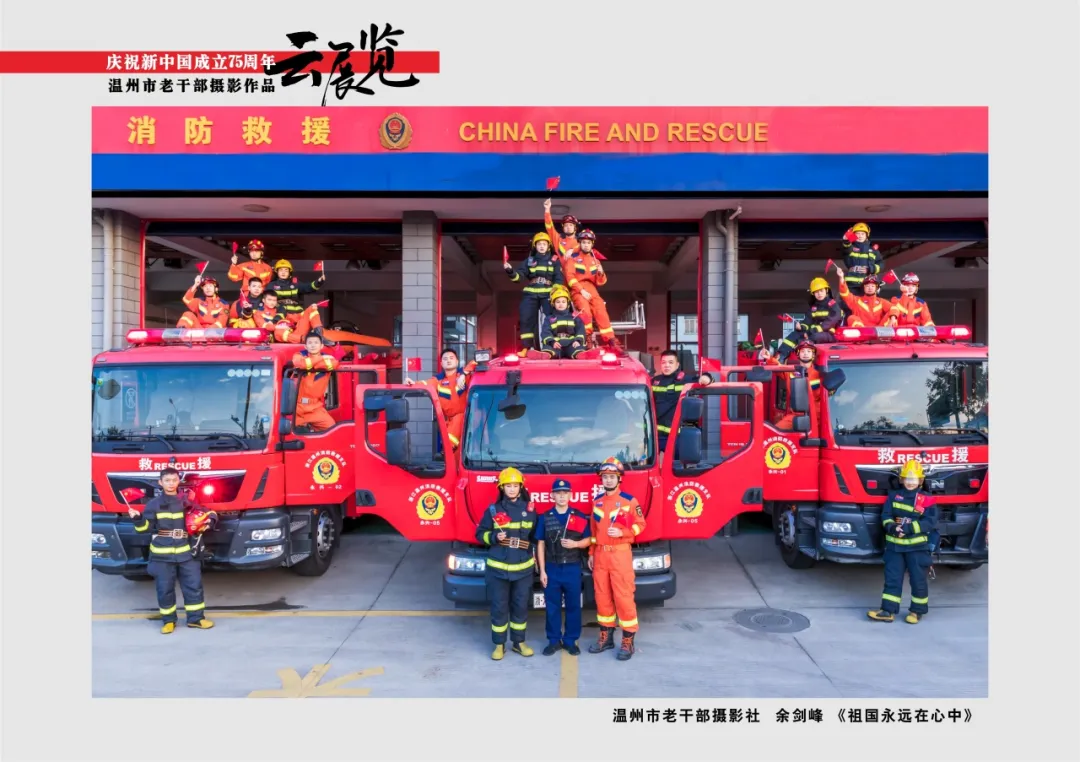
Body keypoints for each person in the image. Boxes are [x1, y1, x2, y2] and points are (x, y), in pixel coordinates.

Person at [129, 467, 214, 633]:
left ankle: (196, 619)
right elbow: (144, 529)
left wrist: (210, 519)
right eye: (167, 480)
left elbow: (205, 512)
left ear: (178, 481)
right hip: (162, 554)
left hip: (186, 552)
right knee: (164, 589)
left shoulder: (187, 501)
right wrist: (137, 519)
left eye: (174, 480)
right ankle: (168, 621)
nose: (171, 483)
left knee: (194, 586)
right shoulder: (153, 504)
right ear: (160, 483)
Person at [475, 468, 537, 660]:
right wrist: (494, 537)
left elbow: (536, 538)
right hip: (498, 570)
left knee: (520, 607)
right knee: (499, 608)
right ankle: (499, 645)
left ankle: (519, 643)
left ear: (521, 487)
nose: (511, 489)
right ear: (502, 488)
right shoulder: (493, 511)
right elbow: (480, 534)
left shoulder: (530, 510)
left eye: (515, 485)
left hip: (523, 570)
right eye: (508, 486)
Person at [588, 457, 646, 661]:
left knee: (623, 597)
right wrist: (591, 553)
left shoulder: (629, 501)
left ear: (619, 478)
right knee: (602, 597)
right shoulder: (597, 502)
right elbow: (593, 532)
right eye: (605, 477)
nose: (609, 480)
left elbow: (641, 525)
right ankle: (606, 638)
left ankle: (628, 641)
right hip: (601, 555)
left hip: (620, 554)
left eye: (612, 477)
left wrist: (623, 533)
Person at [868, 460, 939, 624]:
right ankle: (887, 611)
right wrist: (892, 527)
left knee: (918, 580)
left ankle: (916, 611)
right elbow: (886, 515)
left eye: (914, 479)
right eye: (907, 478)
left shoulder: (927, 499)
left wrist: (907, 528)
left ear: (920, 480)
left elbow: (930, 522)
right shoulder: (893, 496)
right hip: (895, 547)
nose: (910, 482)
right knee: (892, 579)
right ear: (902, 479)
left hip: (917, 548)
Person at [534, 479, 592, 655]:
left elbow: (588, 540)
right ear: (552, 495)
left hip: (572, 568)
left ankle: (570, 641)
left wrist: (575, 545)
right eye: (558, 493)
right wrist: (542, 571)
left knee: (574, 606)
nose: (561, 496)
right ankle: (553, 641)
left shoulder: (578, 516)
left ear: (570, 495)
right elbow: (541, 544)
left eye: (565, 493)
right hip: (552, 568)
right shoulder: (545, 517)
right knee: (552, 607)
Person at [504, 232, 565, 355]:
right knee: (526, 318)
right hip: (531, 293)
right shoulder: (529, 261)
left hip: (548, 293)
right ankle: (527, 348)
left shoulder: (554, 260)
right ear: (535, 246)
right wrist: (510, 271)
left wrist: (555, 294)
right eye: (539, 244)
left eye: (544, 244)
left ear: (548, 246)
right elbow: (518, 278)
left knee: (552, 319)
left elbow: (559, 279)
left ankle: (552, 346)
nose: (542, 246)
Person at [404, 348, 477, 450]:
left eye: (451, 358)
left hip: (467, 420)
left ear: (457, 362)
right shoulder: (438, 380)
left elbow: (477, 361)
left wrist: (464, 374)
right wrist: (412, 383)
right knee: (454, 454)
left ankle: (449, 447)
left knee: (454, 444)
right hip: (449, 424)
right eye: (445, 359)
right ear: (441, 364)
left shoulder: (465, 375)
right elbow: (425, 383)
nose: (448, 360)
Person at [651, 350, 712, 456]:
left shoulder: (684, 380)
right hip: (656, 436)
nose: (667, 365)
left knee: (677, 464)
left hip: (676, 436)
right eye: (664, 362)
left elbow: (706, 378)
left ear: (677, 365)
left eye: (670, 362)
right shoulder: (654, 381)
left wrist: (706, 378)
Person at [563, 229, 615, 347]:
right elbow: (570, 278)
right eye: (584, 242)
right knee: (585, 311)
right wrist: (581, 290)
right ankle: (587, 338)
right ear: (580, 244)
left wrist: (601, 273)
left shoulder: (595, 261)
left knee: (601, 309)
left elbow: (601, 282)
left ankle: (610, 340)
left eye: (588, 243)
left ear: (592, 244)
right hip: (577, 289)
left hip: (592, 289)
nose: (586, 245)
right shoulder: (572, 259)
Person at [776, 277, 842, 362]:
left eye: (821, 291)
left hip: (829, 334)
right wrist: (801, 326)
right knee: (794, 334)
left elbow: (830, 322)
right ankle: (781, 355)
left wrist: (811, 332)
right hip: (813, 332)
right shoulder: (814, 307)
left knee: (814, 337)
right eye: (816, 292)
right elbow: (807, 320)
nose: (819, 294)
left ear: (826, 290)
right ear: (813, 294)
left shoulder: (833, 305)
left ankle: (804, 354)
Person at [766, 340, 825, 430]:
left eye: (809, 351)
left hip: (816, 417)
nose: (805, 353)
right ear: (798, 354)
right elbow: (778, 367)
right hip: (795, 415)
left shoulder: (820, 374)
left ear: (813, 355)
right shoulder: (791, 372)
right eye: (802, 351)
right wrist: (769, 358)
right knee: (776, 432)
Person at [291, 333, 338, 432]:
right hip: (296, 407)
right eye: (310, 343)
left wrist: (309, 363)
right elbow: (301, 364)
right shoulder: (298, 355)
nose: (313, 345)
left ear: (321, 346)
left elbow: (333, 364)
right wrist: (321, 359)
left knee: (332, 430)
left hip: (315, 407)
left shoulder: (330, 359)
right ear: (305, 346)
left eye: (316, 343)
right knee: (285, 433)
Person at [268, 259, 326, 331]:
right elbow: (266, 301)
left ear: (290, 272)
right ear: (277, 272)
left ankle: (318, 332)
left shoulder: (295, 283)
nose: (283, 272)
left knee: (313, 310)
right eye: (281, 270)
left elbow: (308, 287)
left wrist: (319, 281)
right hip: (282, 316)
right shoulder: (271, 285)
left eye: (286, 270)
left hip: (298, 314)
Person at [540, 285, 586, 359]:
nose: (561, 304)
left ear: (568, 303)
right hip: (556, 345)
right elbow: (545, 332)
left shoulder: (574, 317)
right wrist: (552, 342)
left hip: (571, 344)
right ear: (553, 304)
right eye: (558, 302)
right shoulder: (549, 318)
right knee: (548, 349)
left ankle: (580, 354)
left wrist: (577, 341)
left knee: (578, 349)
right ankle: (545, 355)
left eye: (563, 302)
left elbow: (580, 331)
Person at [840, 222, 883, 297]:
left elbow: (881, 264)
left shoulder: (873, 250)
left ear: (866, 235)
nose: (860, 236)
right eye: (858, 233)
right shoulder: (850, 247)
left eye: (862, 234)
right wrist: (846, 240)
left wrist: (870, 269)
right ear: (854, 235)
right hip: (851, 283)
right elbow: (846, 246)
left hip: (868, 284)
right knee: (849, 303)